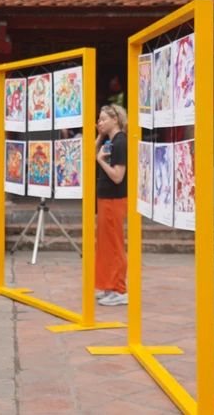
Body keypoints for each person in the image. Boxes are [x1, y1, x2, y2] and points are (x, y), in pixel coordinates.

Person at [94, 104, 128, 307]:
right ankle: (109, 285)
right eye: (99, 119)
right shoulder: (110, 140)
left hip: (115, 198)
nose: (100, 122)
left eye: (103, 119)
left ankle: (120, 289)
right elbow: (90, 155)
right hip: (106, 198)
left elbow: (118, 176)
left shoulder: (121, 142)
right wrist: (99, 137)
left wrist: (101, 162)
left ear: (115, 120)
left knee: (114, 245)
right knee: (105, 244)